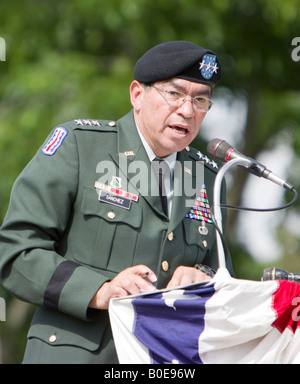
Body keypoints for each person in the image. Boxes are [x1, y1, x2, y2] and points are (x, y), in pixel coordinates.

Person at [0, 41, 234, 364]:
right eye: (175, 94)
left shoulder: (207, 176)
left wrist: (204, 279)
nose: (187, 110)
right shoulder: (80, 148)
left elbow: (222, 274)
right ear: (137, 95)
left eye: (200, 100)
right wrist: (100, 290)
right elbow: (14, 252)